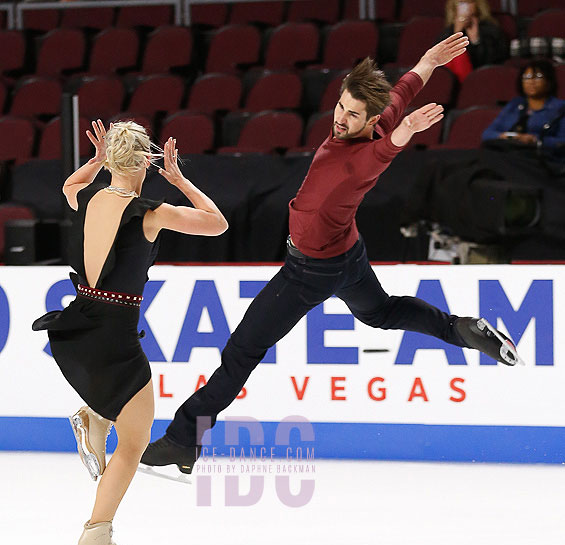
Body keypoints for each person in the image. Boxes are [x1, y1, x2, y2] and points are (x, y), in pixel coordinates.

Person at [141, 33, 521, 476]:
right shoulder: (374, 120)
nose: (341, 118)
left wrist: (406, 133)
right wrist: (428, 61)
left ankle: (183, 438)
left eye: (352, 114)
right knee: (380, 311)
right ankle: (460, 330)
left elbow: (386, 148)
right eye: (341, 106)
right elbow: (400, 93)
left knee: (241, 351)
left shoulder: (366, 154)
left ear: (371, 120)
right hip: (348, 257)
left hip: (308, 272)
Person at [32, 120, 227, 545]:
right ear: (143, 161)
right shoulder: (149, 211)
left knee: (127, 419)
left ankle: (95, 417)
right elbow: (217, 225)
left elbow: (70, 183)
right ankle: (96, 532)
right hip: (115, 336)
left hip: (79, 324)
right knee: (136, 439)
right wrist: (180, 181)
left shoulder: (86, 197)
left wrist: (95, 162)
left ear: (112, 159)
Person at [482, 59, 565, 158]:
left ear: (549, 81)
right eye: (527, 77)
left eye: (538, 77)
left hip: (541, 158)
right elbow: (487, 134)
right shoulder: (515, 105)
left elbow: (562, 142)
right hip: (508, 152)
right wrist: (504, 136)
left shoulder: (560, 107)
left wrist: (534, 139)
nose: (531, 82)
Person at [439, 0, 507, 81]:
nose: (465, 7)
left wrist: (476, 40)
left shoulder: (489, 28)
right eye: (461, 3)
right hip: (452, 77)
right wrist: (456, 32)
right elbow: (439, 53)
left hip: (482, 74)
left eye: (469, 3)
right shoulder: (450, 29)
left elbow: (495, 57)